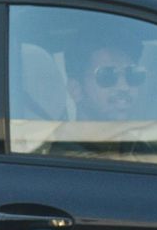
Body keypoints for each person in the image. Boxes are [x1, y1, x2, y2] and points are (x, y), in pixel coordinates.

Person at [63, 24, 149, 153]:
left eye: (132, 74)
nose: (124, 87)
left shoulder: (146, 153)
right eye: (107, 76)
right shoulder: (56, 160)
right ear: (76, 89)